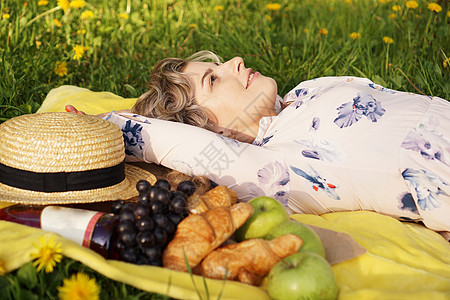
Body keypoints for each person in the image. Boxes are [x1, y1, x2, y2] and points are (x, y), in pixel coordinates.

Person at [66, 50, 450, 233]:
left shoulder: (304, 92)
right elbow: (179, 144)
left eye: (217, 68)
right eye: (213, 80)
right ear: (213, 131)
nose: (234, 60)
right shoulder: (276, 166)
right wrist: (108, 127)